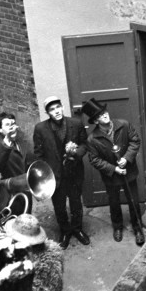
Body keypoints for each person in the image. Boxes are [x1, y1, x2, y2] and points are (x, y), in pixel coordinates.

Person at [82, 98, 145, 246]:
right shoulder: (92, 139)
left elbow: (135, 141)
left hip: (128, 171)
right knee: (114, 201)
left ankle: (138, 228)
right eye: (99, 115)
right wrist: (114, 169)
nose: (104, 115)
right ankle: (117, 227)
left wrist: (127, 158)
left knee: (133, 200)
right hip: (111, 176)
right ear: (96, 121)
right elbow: (94, 160)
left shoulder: (123, 125)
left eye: (104, 112)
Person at [33, 96, 89, 249]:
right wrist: (43, 174)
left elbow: (85, 143)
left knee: (76, 203)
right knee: (59, 206)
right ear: (47, 113)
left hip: (74, 172)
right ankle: (65, 231)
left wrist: (77, 153)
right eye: (52, 109)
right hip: (54, 176)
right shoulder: (40, 128)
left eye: (58, 107)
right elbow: (38, 154)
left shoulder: (75, 124)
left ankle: (78, 229)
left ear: (62, 107)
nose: (56, 111)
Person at [0, 111, 32, 212]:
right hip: (10, 194)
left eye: (13, 124)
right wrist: (5, 145)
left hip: (24, 188)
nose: (12, 127)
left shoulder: (19, 140)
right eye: (7, 125)